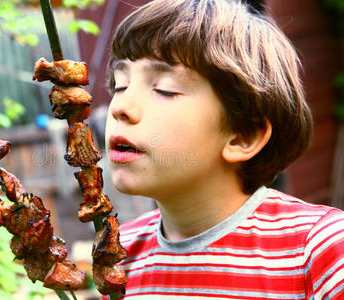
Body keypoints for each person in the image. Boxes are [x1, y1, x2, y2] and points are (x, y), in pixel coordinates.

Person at [103, 0, 344, 298]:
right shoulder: (119, 255)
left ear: (242, 137)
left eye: (165, 88)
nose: (120, 107)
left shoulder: (320, 251)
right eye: (120, 84)